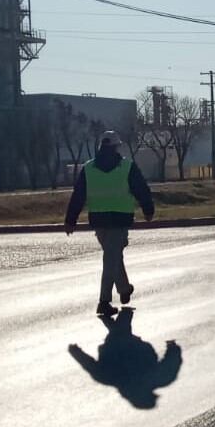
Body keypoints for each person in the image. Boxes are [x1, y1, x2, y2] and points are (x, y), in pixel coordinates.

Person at [64, 131, 155, 317]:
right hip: (120, 218)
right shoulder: (126, 167)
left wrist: (70, 220)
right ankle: (104, 301)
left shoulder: (88, 168)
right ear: (115, 147)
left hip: (98, 219)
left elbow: (78, 195)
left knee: (112, 256)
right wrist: (148, 209)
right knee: (111, 259)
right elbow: (141, 189)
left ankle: (124, 289)